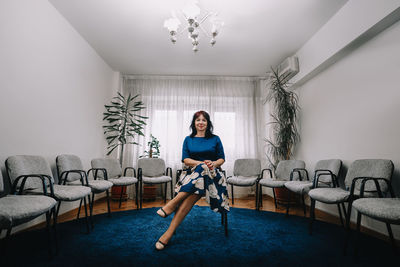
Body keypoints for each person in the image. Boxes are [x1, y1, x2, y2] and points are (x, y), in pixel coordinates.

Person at [155, 110, 229, 250]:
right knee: (199, 176)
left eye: (204, 120)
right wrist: (200, 164)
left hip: (212, 176)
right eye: (198, 120)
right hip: (192, 177)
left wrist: (213, 164)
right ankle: (168, 233)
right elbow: (186, 159)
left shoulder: (215, 139)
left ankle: (171, 206)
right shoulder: (188, 139)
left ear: (208, 123)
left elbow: (221, 159)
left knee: (203, 171)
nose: (201, 122)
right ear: (194, 123)